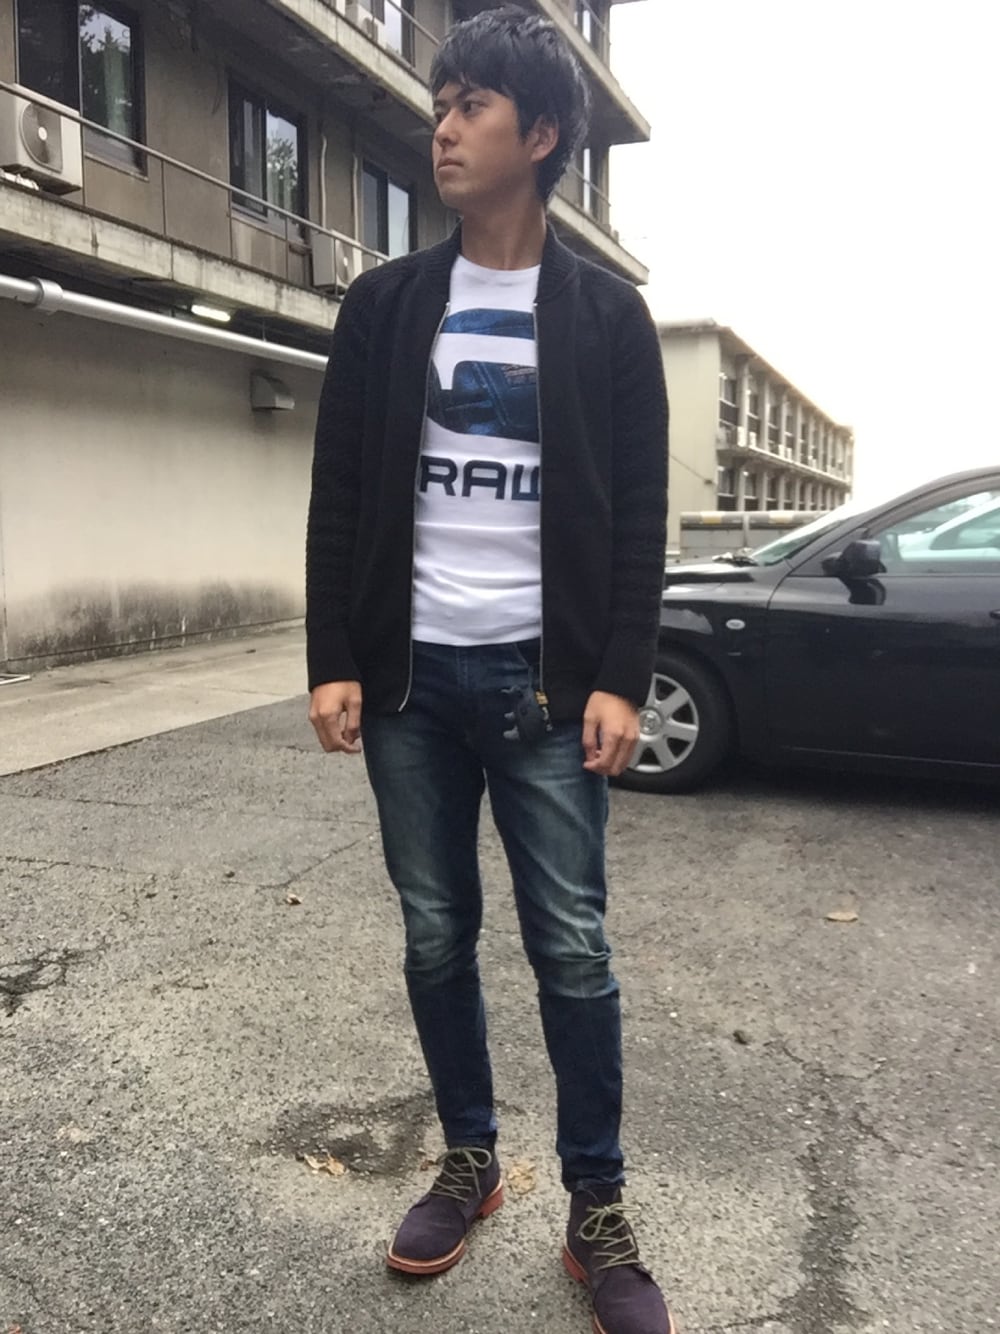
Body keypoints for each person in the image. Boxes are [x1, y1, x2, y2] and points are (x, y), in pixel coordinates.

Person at [306, 7, 671, 1331]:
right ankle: (470, 1158)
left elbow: (638, 514)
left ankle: (597, 1201)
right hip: (412, 682)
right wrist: (333, 653)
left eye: (471, 106)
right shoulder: (389, 303)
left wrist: (620, 674)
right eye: (440, 104)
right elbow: (341, 488)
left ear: (545, 134)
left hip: (544, 685)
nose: (443, 128)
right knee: (434, 928)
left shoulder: (607, 317)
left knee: (571, 943)